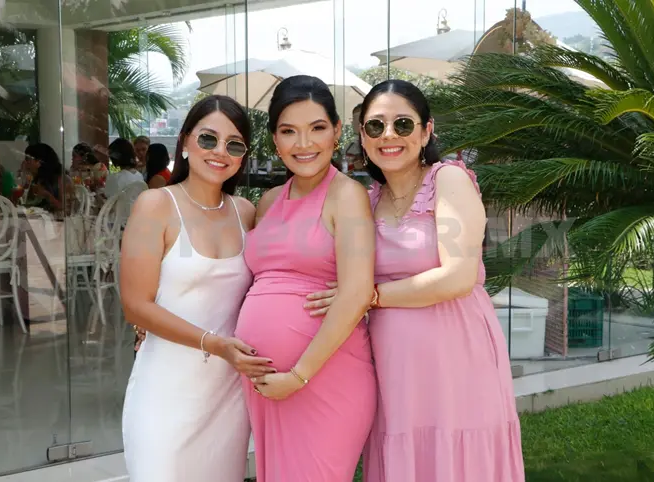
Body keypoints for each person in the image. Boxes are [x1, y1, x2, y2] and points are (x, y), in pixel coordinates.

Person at [304, 80, 525, 482]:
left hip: (456, 358)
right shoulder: (367, 200)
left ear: (426, 132)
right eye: (375, 126)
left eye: (403, 124)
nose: (388, 135)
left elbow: (457, 276)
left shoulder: (448, 180)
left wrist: (367, 296)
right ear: (363, 137)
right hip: (394, 369)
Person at [119, 95, 274, 482]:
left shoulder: (246, 212)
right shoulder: (155, 204)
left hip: (226, 396)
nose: (220, 151)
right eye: (208, 139)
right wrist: (213, 343)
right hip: (164, 391)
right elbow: (135, 306)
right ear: (185, 141)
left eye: (234, 144)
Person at [234, 75, 377, 481]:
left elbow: (356, 293)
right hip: (267, 383)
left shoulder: (346, 195)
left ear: (336, 131)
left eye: (316, 128)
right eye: (288, 131)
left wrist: (297, 376)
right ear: (274, 140)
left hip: (325, 378)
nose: (303, 143)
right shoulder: (267, 202)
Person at [22, 143, 73, 213]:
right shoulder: (40, 178)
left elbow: (66, 209)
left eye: (28, 159)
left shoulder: (62, 179)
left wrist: (47, 195)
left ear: (39, 162)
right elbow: (30, 203)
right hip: (44, 218)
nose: (25, 163)